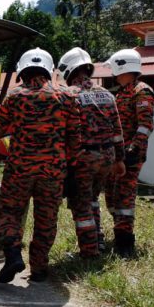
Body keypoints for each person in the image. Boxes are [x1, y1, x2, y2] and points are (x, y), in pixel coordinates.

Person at [0, 48, 81, 283]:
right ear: (49, 70)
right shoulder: (66, 97)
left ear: (22, 70)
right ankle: (38, 269)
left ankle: (13, 254)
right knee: (46, 218)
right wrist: (70, 169)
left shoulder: (15, 96)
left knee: (10, 212)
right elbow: (75, 138)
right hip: (53, 171)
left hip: (19, 169)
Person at [57, 47, 126, 257]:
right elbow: (117, 131)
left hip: (83, 159)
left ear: (68, 71)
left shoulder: (69, 95)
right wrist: (119, 159)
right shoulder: (107, 94)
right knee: (93, 199)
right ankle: (98, 242)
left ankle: (89, 251)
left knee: (81, 204)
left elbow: (65, 132)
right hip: (107, 157)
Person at [104, 49, 154, 257]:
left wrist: (134, 147)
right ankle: (119, 230)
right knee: (111, 195)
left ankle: (125, 242)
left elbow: (146, 125)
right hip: (117, 154)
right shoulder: (123, 91)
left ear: (123, 66)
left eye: (115, 69)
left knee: (124, 197)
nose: (113, 74)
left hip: (131, 155)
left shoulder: (142, 91)